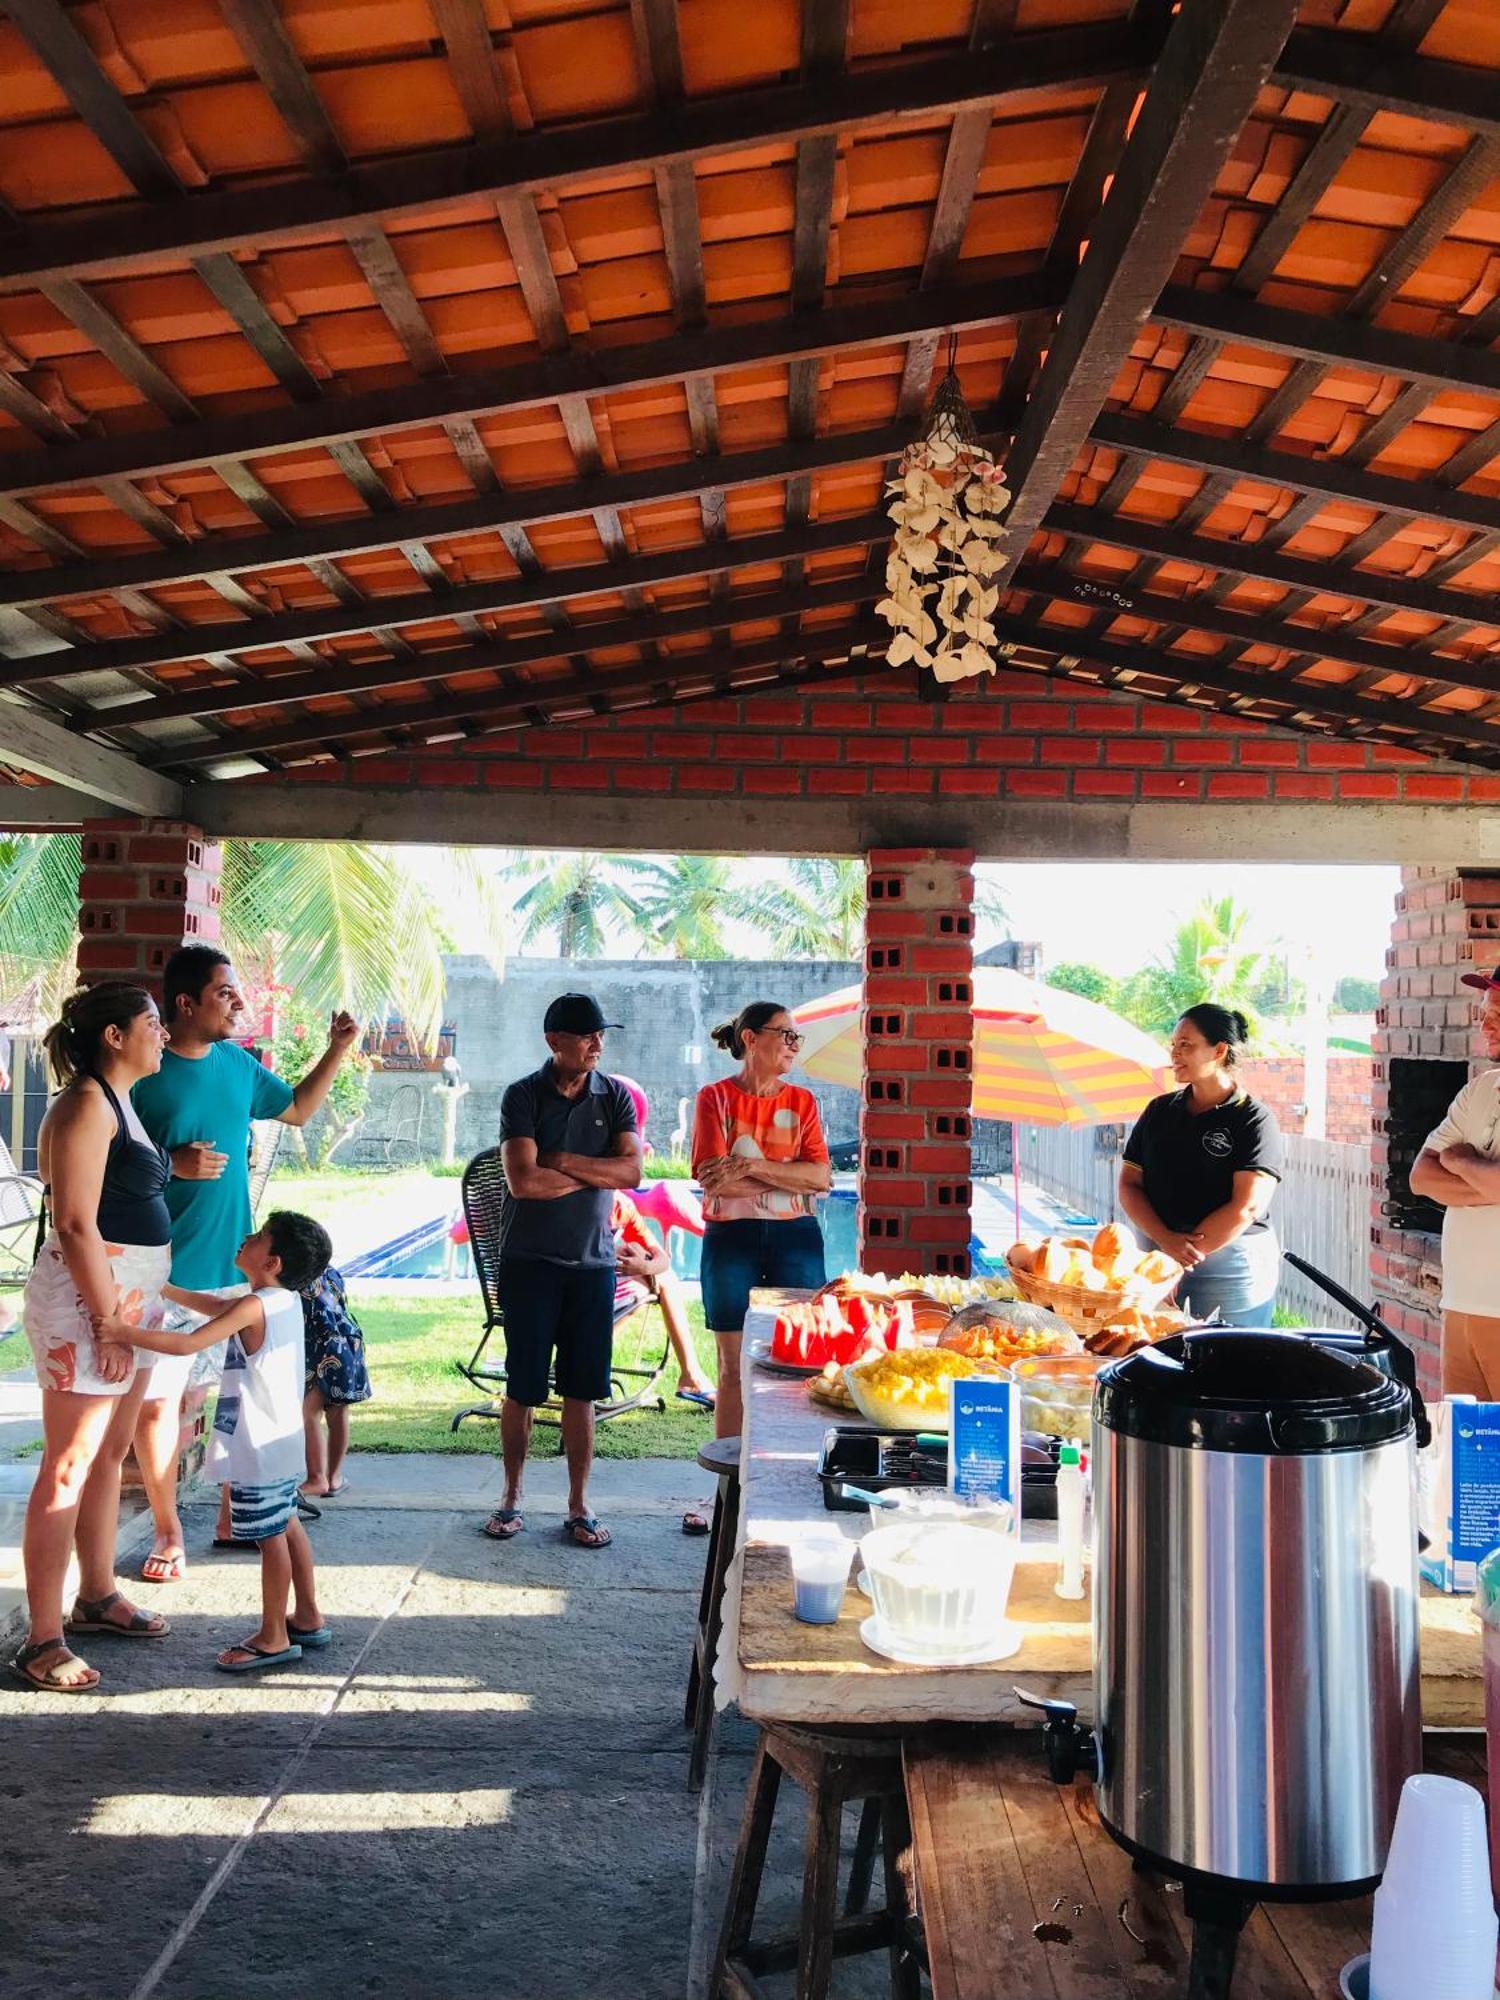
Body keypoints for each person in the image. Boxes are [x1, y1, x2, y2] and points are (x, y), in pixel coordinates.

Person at [130, 945, 359, 1577]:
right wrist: (168, 1166)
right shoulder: (141, 1072)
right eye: (225, 992)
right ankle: (168, 1531)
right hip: (160, 1276)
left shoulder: (238, 1064)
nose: (239, 1002)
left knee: (226, 1402)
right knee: (158, 1409)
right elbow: (106, 1162)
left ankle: (236, 1516)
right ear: (185, 1002)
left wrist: (338, 1049)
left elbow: (299, 1109)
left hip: (234, 1281)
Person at [14, 984, 172, 1693]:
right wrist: (108, 1321)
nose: (162, 1034)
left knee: (110, 1452)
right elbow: (76, 1224)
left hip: (125, 1300)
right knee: (67, 1467)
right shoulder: (83, 1105)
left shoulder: (118, 1101)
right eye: (152, 1023)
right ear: (114, 1036)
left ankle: (97, 1595)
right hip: (91, 1305)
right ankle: (41, 1640)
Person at [97, 1211, 334, 1673]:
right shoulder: (277, 1301)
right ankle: (307, 1615)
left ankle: (272, 1636)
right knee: (285, 1524)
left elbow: (187, 1345)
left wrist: (123, 1332)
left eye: (260, 1236)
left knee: (269, 1538)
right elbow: (212, 1306)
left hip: (256, 1447)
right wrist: (164, 1290)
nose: (247, 1236)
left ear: (274, 1262)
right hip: (280, 1445)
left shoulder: (253, 1305)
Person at [483, 993, 642, 1550]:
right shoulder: (523, 1095)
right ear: (555, 1040)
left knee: (583, 1390)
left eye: (602, 1035)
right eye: (587, 1035)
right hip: (529, 1265)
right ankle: (511, 1495)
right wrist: (600, 1172)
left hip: (593, 1266)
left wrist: (563, 1161)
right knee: (522, 1388)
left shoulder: (615, 1094)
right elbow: (522, 1182)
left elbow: (632, 1172)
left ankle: (579, 1505)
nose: (598, 1044)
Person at [692, 1001, 830, 1444]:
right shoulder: (714, 1098)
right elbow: (713, 1180)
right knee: (732, 1365)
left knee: (803, 1357)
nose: (793, 1045)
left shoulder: (803, 1102)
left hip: (797, 1238)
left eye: (795, 1037)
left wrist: (747, 1167)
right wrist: (788, 1178)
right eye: (784, 1034)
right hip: (731, 1238)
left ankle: (791, 1462)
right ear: (751, 1039)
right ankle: (728, 1486)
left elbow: (821, 1177)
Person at [1117, 1003, 1284, 1327]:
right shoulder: (1159, 1111)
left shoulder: (1254, 1119)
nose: (1174, 1054)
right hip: (1158, 1254)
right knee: (1158, 1356)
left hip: (1231, 1263)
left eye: (1186, 1045)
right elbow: (1129, 1184)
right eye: (1173, 1045)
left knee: (1230, 1360)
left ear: (1219, 1050)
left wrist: (1182, 1254)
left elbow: (1246, 1206)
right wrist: (1165, 1244)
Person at [1410, 965, 1500, 1396]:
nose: (1486, 1024)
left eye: (1499, 1013)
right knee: (1469, 1455)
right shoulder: (1481, 1089)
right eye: (1486, 1011)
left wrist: (1460, 1160)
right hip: (1461, 1305)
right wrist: (1487, 1181)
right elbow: (1421, 1176)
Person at [300, 1264, 371, 1499]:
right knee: (336, 1412)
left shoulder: (298, 1277)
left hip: (329, 1347)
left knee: (309, 1411)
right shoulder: (328, 1271)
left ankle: (317, 1478)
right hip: (346, 1344)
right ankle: (333, 1477)